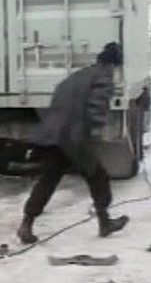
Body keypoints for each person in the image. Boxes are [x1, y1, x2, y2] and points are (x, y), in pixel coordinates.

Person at [17, 42, 130, 244]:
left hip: (54, 134)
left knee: (49, 178)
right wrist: (93, 129)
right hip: (73, 136)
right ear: (114, 63)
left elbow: (57, 96)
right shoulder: (104, 76)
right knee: (97, 175)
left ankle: (26, 224)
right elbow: (97, 106)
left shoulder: (78, 75)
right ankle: (105, 223)